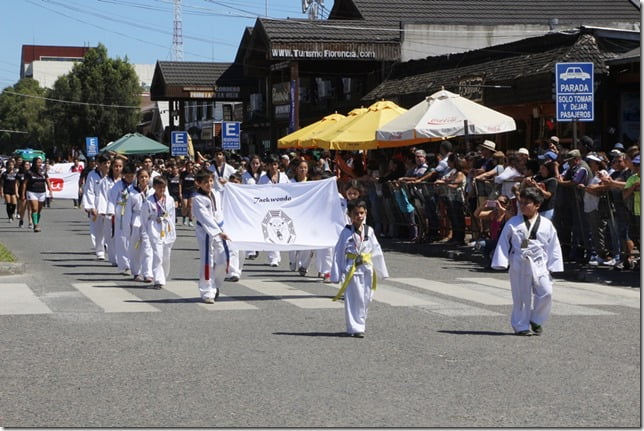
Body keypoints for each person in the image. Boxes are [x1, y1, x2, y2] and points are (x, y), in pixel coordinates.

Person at [491, 187, 564, 336]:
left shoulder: (546, 224)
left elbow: (553, 245)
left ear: (537, 205)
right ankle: (521, 325)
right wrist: (502, 261)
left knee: (546, 292)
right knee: (521, 296)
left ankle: (536, 319)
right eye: (521, 202)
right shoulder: (513, 222)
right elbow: (503, 241)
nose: (522, 206)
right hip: (520, 261)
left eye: (527, 203)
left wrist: (554, 264)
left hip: (539, 263)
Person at [330, 199, 389, 338]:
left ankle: (360, 323)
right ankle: (355, 328)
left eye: (362, 213)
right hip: (352, 269)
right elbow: (339, 253)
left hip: (367, 268)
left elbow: (377, 250)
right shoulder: (345, 232)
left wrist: (382, 271)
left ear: (366, 213)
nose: (359, 216)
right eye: (356, 213)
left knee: (366, 299)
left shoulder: (370, 230)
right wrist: (336, 274)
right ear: (350, 215)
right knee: (353, 299)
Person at [192, 169, 231, 303]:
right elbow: (206, 218)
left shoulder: (216, 193)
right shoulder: (197, 199)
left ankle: (216, 285)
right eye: (205, 182)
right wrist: (219, 232)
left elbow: (231, 195)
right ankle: (207, 291)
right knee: (207, 261)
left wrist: (228, 184)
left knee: (223, 259)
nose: (209, 184)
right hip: (205, 231)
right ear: (198, 183)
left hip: (220, 229)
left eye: (210, 181)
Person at [141, 176, 176, 289]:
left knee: (166, 255)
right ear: (154, 187)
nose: (162, 189)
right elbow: (144, 218)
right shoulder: (149, 201)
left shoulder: (169, 200)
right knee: (157, 254)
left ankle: (163, 275)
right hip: (154, 227)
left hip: (167, 227)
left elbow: (172, 215)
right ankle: (158, 279)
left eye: (164, 187)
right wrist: (147, 231)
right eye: (159, 187)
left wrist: (172, 229)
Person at [258, 154, 289, 267]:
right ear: (267, 166)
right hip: (268, 208)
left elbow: (291, 190)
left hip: (281, 207)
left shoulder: (284, 177)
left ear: (278, 165)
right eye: (271, 165)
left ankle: (277, 254)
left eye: (275, 164)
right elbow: (259, 193)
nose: (273, 167)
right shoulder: (263, 179)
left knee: (280, 231)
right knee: (270, 231)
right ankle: (273, 258)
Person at [107, 163, 136, 275]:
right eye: (127, 176)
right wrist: (111, 212)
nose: (130, 178)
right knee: (122, 240)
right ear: (124, 175)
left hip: (133, 215)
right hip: (121, 215)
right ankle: (124, 264)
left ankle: (133, 262)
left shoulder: (135, 186)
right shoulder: (118, 186)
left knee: (133, 240)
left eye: (131, 176)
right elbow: (111, 199)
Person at [125, 168, 153, 283]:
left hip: (148, 221)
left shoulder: (152, 192)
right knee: (135, 248)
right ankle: (136, 272)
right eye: (141, 177)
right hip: (136, 220)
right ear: (138, 178)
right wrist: (128, 226)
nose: (144, 179)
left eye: (146, 177)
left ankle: (148, 273)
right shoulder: (132, 192)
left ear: (149, 178)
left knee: (148, 247)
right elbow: (127, 211)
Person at [82, 154, 110, 260]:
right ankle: (100, 251)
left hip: (109, 204)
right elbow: (89, 191)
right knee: (98, 229)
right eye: (104, 164)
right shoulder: (92, 175)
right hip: (97, 204)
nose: (107, 166)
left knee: (110, 229)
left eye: (108, 163)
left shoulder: (111, 176)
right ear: (99, 164)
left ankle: (108, 246)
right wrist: (91, 206)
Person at [21, 156, 53, 232]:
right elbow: (24, 184)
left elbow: (47, 181)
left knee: (39, 210)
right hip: (32, 192)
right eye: (38, 162)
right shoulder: (29, 172)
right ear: (34, 163)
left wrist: (50, 190)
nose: (39, 164)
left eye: (40, 162)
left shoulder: (43, 171)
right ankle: (35, 225)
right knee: (34, 209)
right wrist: (23, 194)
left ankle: (37, 221)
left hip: (42, 192)